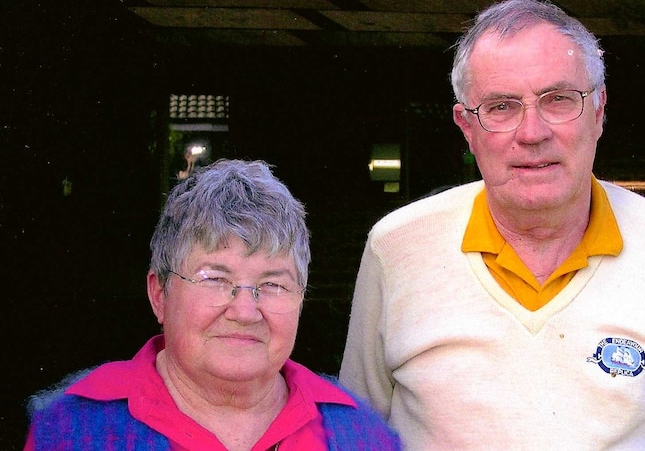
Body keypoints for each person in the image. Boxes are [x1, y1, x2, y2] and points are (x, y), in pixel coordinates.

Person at [338, 0, 645, 450]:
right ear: (467, 127)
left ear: (599, 110)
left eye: (558, 100)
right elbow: (355, 437)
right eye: (501, 107)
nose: (532, 132)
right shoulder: (397, 247)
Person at [26, 159, 401, 451]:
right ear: (159, 294)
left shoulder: (359, 436)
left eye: (272, 284)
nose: (243, 311)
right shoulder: (72, 429)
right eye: (215, 279)